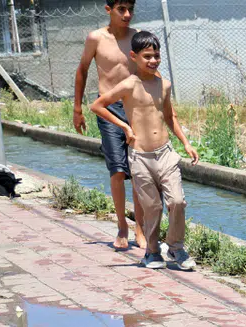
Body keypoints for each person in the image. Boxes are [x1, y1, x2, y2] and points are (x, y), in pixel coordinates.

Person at [90, 30, 199, 272]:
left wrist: (186, 143)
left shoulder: (165, 84)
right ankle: (151, 251)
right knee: (153, 208)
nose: (153, 61)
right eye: (147, 56)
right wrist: (124, 126)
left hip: (166, 153)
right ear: (134, 57)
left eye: (157, 56)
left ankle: (175, 247)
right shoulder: (129, 84)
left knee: (178, 202)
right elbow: (97, 105)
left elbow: (170, 116)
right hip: (140, 156)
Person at [73, 0, 146, 251]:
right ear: (108, 10)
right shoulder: (96, 38)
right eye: (121, 10)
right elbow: (82, 69)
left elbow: (150, 70)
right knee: (117, 170)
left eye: (130, 10)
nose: (127, 15)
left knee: (138, 172)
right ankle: (122, 226)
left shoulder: (138, 37)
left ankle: (139, 228)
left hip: (136, 109)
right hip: (108, 109)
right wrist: (77, 109)